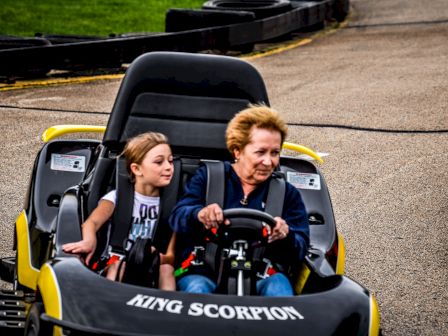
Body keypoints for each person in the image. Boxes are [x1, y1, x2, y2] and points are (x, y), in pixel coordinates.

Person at [170, 104, 310, 296]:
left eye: (275, 153)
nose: (269, 162)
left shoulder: (287, 193)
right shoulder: (208, 178)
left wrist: (286, 235)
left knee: (279, 292)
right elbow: (177, 218)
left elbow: (301, 248)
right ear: (238, 150)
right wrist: (199, 214)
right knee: (197, 290)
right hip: (205, 270)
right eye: (260, 152)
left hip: (264, 274)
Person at [63, 132, 176, 291]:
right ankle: (110, 307)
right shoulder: (117, 198)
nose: (168, 167)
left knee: (167, 270)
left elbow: (170, 257)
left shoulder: (171, 206)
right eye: (159, 162)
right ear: (136, 169)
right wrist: (88, 241)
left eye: (171, 161)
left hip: (152, 267)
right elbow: (92, 223)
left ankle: (166, 311)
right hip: (115, 263)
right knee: (118, 266)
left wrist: (149, 254)